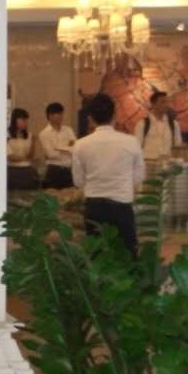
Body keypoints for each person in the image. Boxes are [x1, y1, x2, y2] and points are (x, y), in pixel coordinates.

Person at [72, 93, 146, 258]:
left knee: (96, 257)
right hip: (122, 206)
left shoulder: (80, 145)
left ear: (90, 118)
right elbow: (139, 176)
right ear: (115, 115)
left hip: (94, 207)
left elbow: (78, 181)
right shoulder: (131, 142)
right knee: (127, 257)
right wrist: (122, 184)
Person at [38, 102, 76, 190]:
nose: (61, 116)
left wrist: (59, 149)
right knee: (53, 196)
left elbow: (75, 148)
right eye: (58, 114)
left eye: (62, 113)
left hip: (68, 170)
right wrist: (67, 147)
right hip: (54, 170)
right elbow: (51, 154)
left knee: (70, 196)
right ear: (50, 116)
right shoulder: (44, 133)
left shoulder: (68, 130)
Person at [137, 90, 183, 162]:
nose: (166, 105)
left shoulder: (174, 124)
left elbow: (178, 146)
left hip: (168, 163)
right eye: (162, 102)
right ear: (153, 104)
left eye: (167, 102)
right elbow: (137, 146)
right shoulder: (142, 124)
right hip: (148, 162)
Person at [7, 108, 39, 191]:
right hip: (13, 170)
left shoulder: (29, 135)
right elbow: (11, 158)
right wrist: (26, 158)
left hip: (28, 170)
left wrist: (33, 143)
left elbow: (31, 156)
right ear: (14, 120)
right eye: (23, 120)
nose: (25, 123)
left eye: (26, 120)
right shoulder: (7, 135)